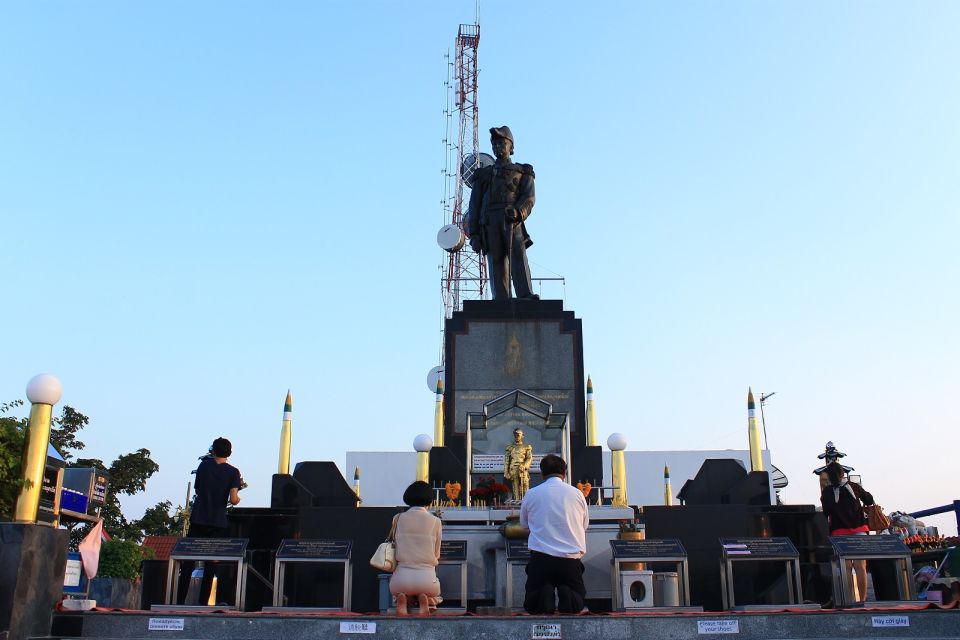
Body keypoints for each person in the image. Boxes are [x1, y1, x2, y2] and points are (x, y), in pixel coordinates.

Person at [466, 125, 538, 301]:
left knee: (518, 257)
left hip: (512, 220)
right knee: (496, 259)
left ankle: (525, 294)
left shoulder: (522, 172)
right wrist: (474, 234)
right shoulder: (483, 175)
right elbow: (474, 205)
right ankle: (501, 298)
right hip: (489, 221)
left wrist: (518, 211)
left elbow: (529, 198)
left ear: (511, 147)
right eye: (495, 144)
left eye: (502, 143)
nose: (498, 147)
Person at [519, 454, 589, 614]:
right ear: (564, 473)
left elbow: (524, 526)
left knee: (533, 601)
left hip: (541, 559)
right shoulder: (577, 494)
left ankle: (544, 596)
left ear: (542, 473)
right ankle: (568, 594)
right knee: (576, 600)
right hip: (570, 561)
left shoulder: (531, 494)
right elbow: (584, 525)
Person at [185, 437, 242, 605]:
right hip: (217, 521)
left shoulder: (204, 466)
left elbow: (198, 488)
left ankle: (179, 600)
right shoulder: (233, 472)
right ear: (229, 453)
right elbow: (233, 499)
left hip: (199, 517)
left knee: (188, 560)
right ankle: (203, 603)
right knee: (211, 565)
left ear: (213, 450)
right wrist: (238, 497)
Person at [820, 461, 874, 603]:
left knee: (846, 567)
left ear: (829, 477)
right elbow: (869, 499)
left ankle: (850, 599)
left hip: (839, 533)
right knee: (860, 566)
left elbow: (825, 512)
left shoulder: (827, 493)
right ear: (842, 474)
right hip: (859, 531)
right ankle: (862, 600)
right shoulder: (854, 487)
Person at [389, 481, 442, 616]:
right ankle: (426, 600)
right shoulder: (436, 521)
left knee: (400, 590)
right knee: (435, 594)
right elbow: (437, 553)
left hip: (400, 580)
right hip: (426, 580)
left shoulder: (398, 518)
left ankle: (402, 599)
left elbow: (394, 543)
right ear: (429, 499)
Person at [504, 428, 533, 500]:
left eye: (518, 435)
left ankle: (526, 501)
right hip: (513, 469)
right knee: (515, 486)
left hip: (523, 469)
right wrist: (506, 472)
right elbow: (507, 461)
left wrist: (524, 465)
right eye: (515, 435)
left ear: (522, 436)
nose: (516, 437)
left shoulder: (527, 447)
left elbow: (529, 458)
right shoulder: (510, 448)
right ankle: (517, 501)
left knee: (525, 485)